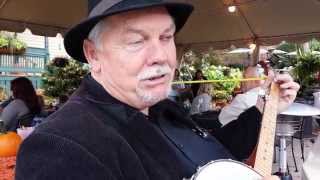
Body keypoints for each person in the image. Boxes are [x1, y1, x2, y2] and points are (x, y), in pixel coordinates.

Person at [15, 1, 299, 179]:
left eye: (166, 37)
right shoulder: (61, 148)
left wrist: (264, 108)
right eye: (136, 41)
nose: (161, 56)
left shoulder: (161, 108)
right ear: (93, 55)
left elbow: (216, 154)